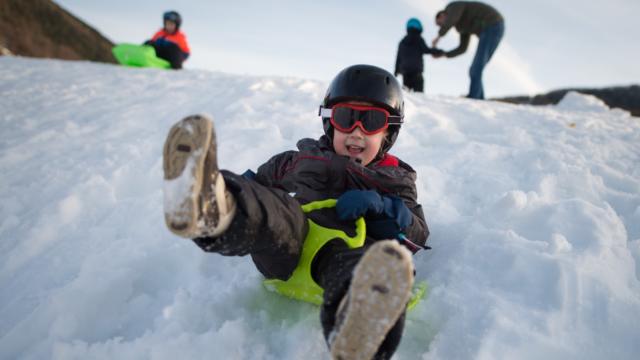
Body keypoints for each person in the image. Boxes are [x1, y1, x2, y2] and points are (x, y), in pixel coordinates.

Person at [162, 64, 430, 359]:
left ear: (389, 131)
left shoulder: (395, 179)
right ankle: (210, 207)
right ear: (330, 121)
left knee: (362, 266)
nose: (356, 131)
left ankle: (361, 326)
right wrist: (233, 192)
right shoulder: (301, 159)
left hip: (344, 251)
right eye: (346, 117)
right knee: (274, 210)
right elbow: (257, 184)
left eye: (371, 121)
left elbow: (417, 232)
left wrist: (383, 208)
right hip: (288, 240)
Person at [432, 1, 505, 99]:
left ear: (442, 15)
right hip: (492, 29)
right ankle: (479, 99)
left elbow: (452, 18)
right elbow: (463, 48)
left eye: (440, 23)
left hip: (493, 24)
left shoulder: (452, 7)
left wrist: (439, 36)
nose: (440, 26)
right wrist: (444, 54)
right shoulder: (460, 26)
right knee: (475, 69)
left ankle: (474, 98)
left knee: (476, 68)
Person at [394, 18, 444, 92]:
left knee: (407, 94)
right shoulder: (419, 39)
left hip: (405, 72)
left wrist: (396, 71)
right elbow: (426, 50)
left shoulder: (402, 42)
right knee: (419, 94)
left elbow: (398, 58)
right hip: (416, 71)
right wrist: (438, 51)